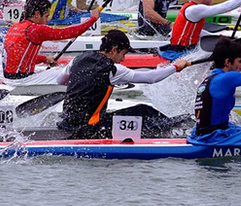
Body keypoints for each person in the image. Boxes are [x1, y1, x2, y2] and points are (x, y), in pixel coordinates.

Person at [56, 30, 190, 138]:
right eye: (123, 54)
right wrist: (176, 67)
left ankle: (173, 129)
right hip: (90, 129)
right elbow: (151, 78)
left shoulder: (78, 59)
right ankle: (179, 132)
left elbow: (60, 81)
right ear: (114, 50)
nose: (123, 59)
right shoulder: (113, 69)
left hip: (68, 124)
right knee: (143, 110)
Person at [2, 0, 100, 84]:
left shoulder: (15, 27)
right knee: (70, 70)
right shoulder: (35, 30)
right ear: (37, 14)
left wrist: (45, 59)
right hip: (23, 80)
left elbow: (18, 57)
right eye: (46, 16)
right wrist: (92, 19)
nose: (47, 20)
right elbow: (70, 32)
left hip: (9, 77)